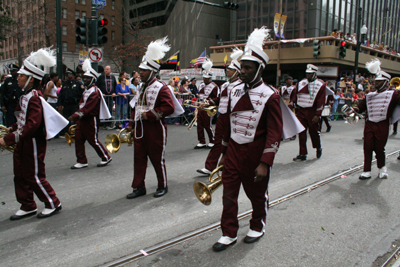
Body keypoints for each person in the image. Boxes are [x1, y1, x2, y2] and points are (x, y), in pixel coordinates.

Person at [212, 27, 303, 252]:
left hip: (255, 152)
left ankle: (257, 225)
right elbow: (229, 125)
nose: (242, 71)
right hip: (233, 150)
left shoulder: (271, 95)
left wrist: (265, 162)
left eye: (247, 67)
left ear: (259, 69)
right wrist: (223, 154)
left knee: (257, 194)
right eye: (241, 66)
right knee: (229, 194)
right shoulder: (232, 91)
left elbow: (274, 132)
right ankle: (229, 232)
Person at [0, 48, 68, 220]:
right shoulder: (26, 96)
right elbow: (24, 120)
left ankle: (52, 202)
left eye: (21, 75)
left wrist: (8, 139)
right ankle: (27, 204)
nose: (18, 77)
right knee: (20, 174)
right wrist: (13, 127)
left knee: (34, 174)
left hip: (33, 142)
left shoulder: (35, 97)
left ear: (30, 79)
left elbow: (32, 124)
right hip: (24, 141)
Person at [125, 37, 183, 199]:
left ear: (151, 71)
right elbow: (136, 105)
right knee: (139, 159)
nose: (140, 73)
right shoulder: (142, 87)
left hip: (155, 129)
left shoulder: (161, 88)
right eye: (140, 70)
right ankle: (138, 187)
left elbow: (169, 107)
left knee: (157, 159)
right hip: (140, 129)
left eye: (143, 71)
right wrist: (130, 123)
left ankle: (162, 185)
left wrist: (149, 115)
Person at [197, 47, 242, 175]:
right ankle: (209, 166)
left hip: (232, 117)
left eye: (231, 70)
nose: (228, 71)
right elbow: (219, 100)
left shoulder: (241, 85)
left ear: (237, 72)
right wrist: (208, 102)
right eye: (228, 69)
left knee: (230, 142)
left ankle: (229, 165)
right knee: (218, 142)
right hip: (222, 116)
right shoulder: (225, 85)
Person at [352, 59, 400, 179]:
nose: (376, 84)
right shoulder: (369, 95)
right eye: (375, 82)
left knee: (379, 148)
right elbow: (361, 107)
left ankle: (382, 168)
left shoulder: (393, 94)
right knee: (367, 146)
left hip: (383, 123)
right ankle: (366, 170)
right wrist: (354, 110)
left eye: (379, 82)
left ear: (386, 83)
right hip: (370, 123)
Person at [68, 59, 112, 170]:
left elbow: (88, 108)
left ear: (93, 79)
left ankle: (105, 157)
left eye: (88, 78)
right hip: (82, 119)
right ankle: (81, 160)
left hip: (91, 119)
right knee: (78, 138)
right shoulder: (87, 90)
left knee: (93, 140)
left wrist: (75, 115)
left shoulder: (95, 91)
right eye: (84, 78)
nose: (85, 80)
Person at [289, 64, 326, 161]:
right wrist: (290, 106)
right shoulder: (301, 83)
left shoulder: (320, 84)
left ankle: (318, 147)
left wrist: (318, 114)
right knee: (301, 132)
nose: (307, 76)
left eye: (310, 74)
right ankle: (302, 153)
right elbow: (295, 96)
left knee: (313, 132)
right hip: (301, 111)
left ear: (314, 74)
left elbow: (321, 101)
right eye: (307, 74)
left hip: (312, 111)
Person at [194, 59, 219, 149]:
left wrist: (207, 103)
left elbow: (217, 99)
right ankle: (202, 141)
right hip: (200, 107)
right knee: (199, 125)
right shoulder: (201, 85)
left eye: (206, 78)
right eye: (204, 77)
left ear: (210, 78)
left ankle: (212, 141)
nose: (205, 79)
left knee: (207, 125)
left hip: (208, 108)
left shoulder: (214, 86)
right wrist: (197, 106)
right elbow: (199, 96)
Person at [57, 68, 84, 137]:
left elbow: (82, 94)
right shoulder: (65, 84)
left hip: (74, 104)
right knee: (67, 119)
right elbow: (61, 95)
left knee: (75, 119)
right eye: (66, 75)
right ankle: (68, 134)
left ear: (73, 75)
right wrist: (59, 104)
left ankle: (77, 133)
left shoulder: (78, 84)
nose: (68, 76)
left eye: (69, 74)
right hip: (66, 105)